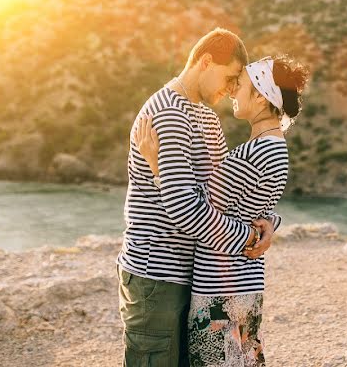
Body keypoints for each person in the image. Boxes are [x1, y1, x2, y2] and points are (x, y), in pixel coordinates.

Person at [117, 28, 279, 367]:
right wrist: (249, 236)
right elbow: (185, 209)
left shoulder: (207, 117)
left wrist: (268, 224)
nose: (234, 88)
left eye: (239, 82)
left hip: (191, 274)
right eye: (231, 76)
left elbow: (224, 196)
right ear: (205, 62)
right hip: (156, 274)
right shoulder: (168, 114)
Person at [135, 54, 309, 367]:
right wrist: (268, 224)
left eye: (239, 85)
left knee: (216, 361)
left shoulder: (253, 152)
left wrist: (156, 165)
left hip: (221, 287)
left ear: (260, 96)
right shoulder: (275, 147)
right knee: (242, 360)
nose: (232, 91)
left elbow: (193, 206)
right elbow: (254, 205)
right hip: (245, 281)